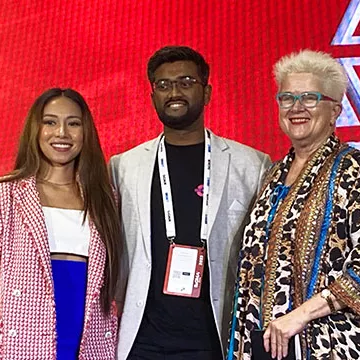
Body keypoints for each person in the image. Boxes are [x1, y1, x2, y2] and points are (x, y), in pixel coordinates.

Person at [228, 50, 360, 360]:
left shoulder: (357, 170)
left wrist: (300, 316)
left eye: (309, 98)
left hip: (336, 348)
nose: (296, 107)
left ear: (335, 111)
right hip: (269, 348)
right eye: (287, 98)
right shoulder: (273, 175)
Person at [109, 45, 272, 360]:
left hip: (216, 338)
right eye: (163, 84)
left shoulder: (251, 164)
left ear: (207, 92)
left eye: (186, 81)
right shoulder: (123, 166)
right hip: (142, 341)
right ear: (153, 94)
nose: (175, 92)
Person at [0, 88, 122, 359]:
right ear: (35, 130)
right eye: (50, 122)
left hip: (90, 345)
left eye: (73, 123)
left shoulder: (107, 197)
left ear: (86, 132)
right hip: (23, 345)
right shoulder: (0, 195)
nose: (61, 132)